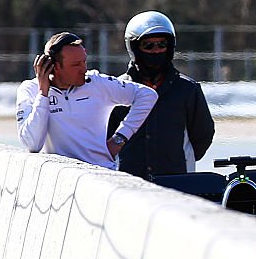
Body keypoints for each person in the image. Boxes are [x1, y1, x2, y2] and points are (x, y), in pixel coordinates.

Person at [16, 32, 158, 170]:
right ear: (55, 67)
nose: (84, 69)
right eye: (76, 64)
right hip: (60, 178)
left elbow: (147, 95)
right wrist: (43, 94)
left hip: (102, 175)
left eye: (84, 61)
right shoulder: (30, 90)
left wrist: (120, 138)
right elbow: (32, 144)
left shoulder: (97, 82)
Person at [108, 11, 215, 179]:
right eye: (148, 46)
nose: (156, 50)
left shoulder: (187, 89)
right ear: (134, 48)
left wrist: (177, 160)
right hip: (128, 185)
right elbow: (105, 138)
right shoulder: (118, 89)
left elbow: (203, 135)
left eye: (161, 44)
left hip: (177, 184)